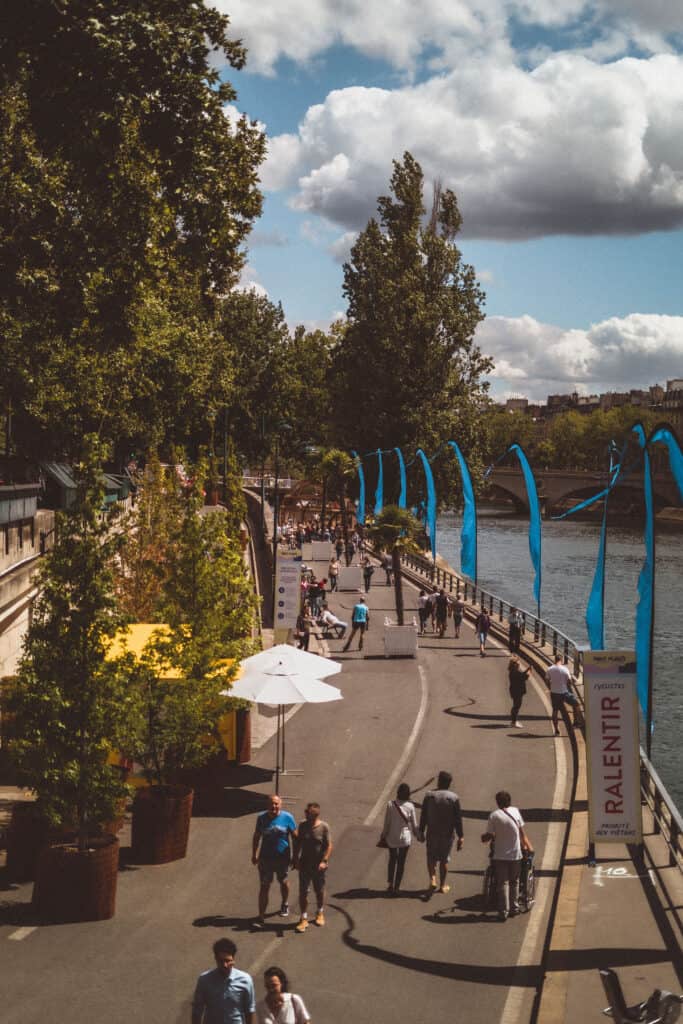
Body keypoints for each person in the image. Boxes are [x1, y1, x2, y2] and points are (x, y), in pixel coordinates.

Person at [481, 790, 533, 922]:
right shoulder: (515, 812)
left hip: (500, 855)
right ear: (509, 801)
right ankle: (514, 908)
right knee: (514, 881)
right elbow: (521, 833)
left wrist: (485, 837)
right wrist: (529, 847)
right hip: (516, 854)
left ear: (497, 803)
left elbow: (489, 836)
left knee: (502, 882)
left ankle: (503, 911)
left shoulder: (494, 816)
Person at [252, 794, 297, 928]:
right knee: (264, 886)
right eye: (272, 804)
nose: (274, 806)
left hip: (282, 859)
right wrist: (254, 853)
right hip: (265, 859)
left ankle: (284, 903)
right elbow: (257, 836)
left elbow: (296, 837)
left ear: (280, 805)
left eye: (276, 804)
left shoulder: (288, 817)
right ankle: (261, 915)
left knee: (283, 881)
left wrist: (295, 857)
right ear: (267, 805)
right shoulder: (261, 818)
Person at [418, 770, 464, 894]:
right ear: (449, 783)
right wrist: (461, 836)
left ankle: (433, 879)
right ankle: (442, 885)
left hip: (432, 832)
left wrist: (421, 830)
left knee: (431, 857)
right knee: (444, 860)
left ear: (439, 781)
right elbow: (457, 818)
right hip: (447, 834)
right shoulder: (454, 798)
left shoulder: (429, 796)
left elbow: (424, 815)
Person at [192, 938, 255, 1024]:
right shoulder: (204, 980)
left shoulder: (245, 980)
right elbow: (197, 1010)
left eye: (228, 961)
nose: (225, 965)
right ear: (215, 959)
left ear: (233, 960)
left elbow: (249, 1010)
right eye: (221, 961)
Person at [293, 802, 332, 932]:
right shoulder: (303, 825)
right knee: (303, 892)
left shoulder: (324, 827)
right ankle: (303, 918)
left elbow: (328, 845)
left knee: (319, 891)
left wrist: (324, 860)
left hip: (318, 866)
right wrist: (295, 859)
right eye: (307, 812)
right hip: (304, 864)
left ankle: (320, 912)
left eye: (310, 813)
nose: (306, 814)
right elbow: (298, 842)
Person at [380, 782, 422, 894]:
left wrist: (383, 836)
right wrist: (419, 837)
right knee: (401, 862)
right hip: (405, 839)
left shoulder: (390, 805)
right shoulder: (410, 807)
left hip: (392, 838)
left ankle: (390, 884)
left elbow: (387, 824)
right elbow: (414, 826)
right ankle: (397, 887)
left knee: (392, 860)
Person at [545, 653, 579, 736]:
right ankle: (575, 723)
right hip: (564, 692)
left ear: (555, 660)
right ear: (561, 660)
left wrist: (551, 687)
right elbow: (570, 681)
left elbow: (546, 680)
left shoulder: (550, 669)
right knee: (576, 704)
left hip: (554, 693)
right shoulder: (565, 669)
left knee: (555, 711)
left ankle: (556, 731)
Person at [508, 656, 531, 728]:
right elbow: (525, 677)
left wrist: (527, 670)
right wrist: (529, 671)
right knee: (516, 706)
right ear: (515, 664)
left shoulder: (512, 671)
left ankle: (513, 721)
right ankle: (513, 722)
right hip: (517, 691)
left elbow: (522, 675)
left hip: (514, 690)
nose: (519, 663)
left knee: (516, 706)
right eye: (518, 662)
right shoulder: (515, 672)